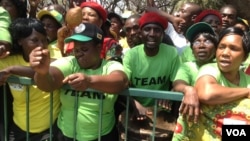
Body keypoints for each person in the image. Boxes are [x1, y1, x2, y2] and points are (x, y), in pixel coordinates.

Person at [29, 23, 128, 141]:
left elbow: (121, 81)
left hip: (101, 136)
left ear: (98, 47)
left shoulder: (111, 66)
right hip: (65, 135)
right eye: (76, 49)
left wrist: (89, 81)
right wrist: (42, 73)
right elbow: (48, 84)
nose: (78, 53)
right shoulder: (70, 62)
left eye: (84, 49)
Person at [173, 27, 250, 141]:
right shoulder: (210, 69)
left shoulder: (247, 79)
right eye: (221, 47)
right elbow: (207, 93)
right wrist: (246, 92)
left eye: (233, 49)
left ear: (244, 57)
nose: (225, 53)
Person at [0, 18, 60, 141]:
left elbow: (49, 69)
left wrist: (14, 69)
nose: (41, 45)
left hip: (48, 131)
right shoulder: (8, 60)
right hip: (18, 129)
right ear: (20, 41)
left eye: (44, 40)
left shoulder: (54, 55)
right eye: (34, 40)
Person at [123, 12, 180, 120]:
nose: (152, 34)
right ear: (140, 33)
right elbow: (123, 85)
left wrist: (170, 95)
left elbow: (178, 83)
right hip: (137, 111)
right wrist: (135, 104)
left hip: (161, 111)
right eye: (147, 29)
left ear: (163, 34)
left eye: (157, 30)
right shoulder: (130, 55)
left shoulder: (172, 53)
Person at [171, 22, 218, 140]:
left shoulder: (222, 67)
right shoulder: (187, 67)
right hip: (191, 125)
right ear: (192, 49)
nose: (201, 45)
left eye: (207, 41)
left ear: (216, 47)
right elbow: (178, 83)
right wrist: (188, 89)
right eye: (197, 42)